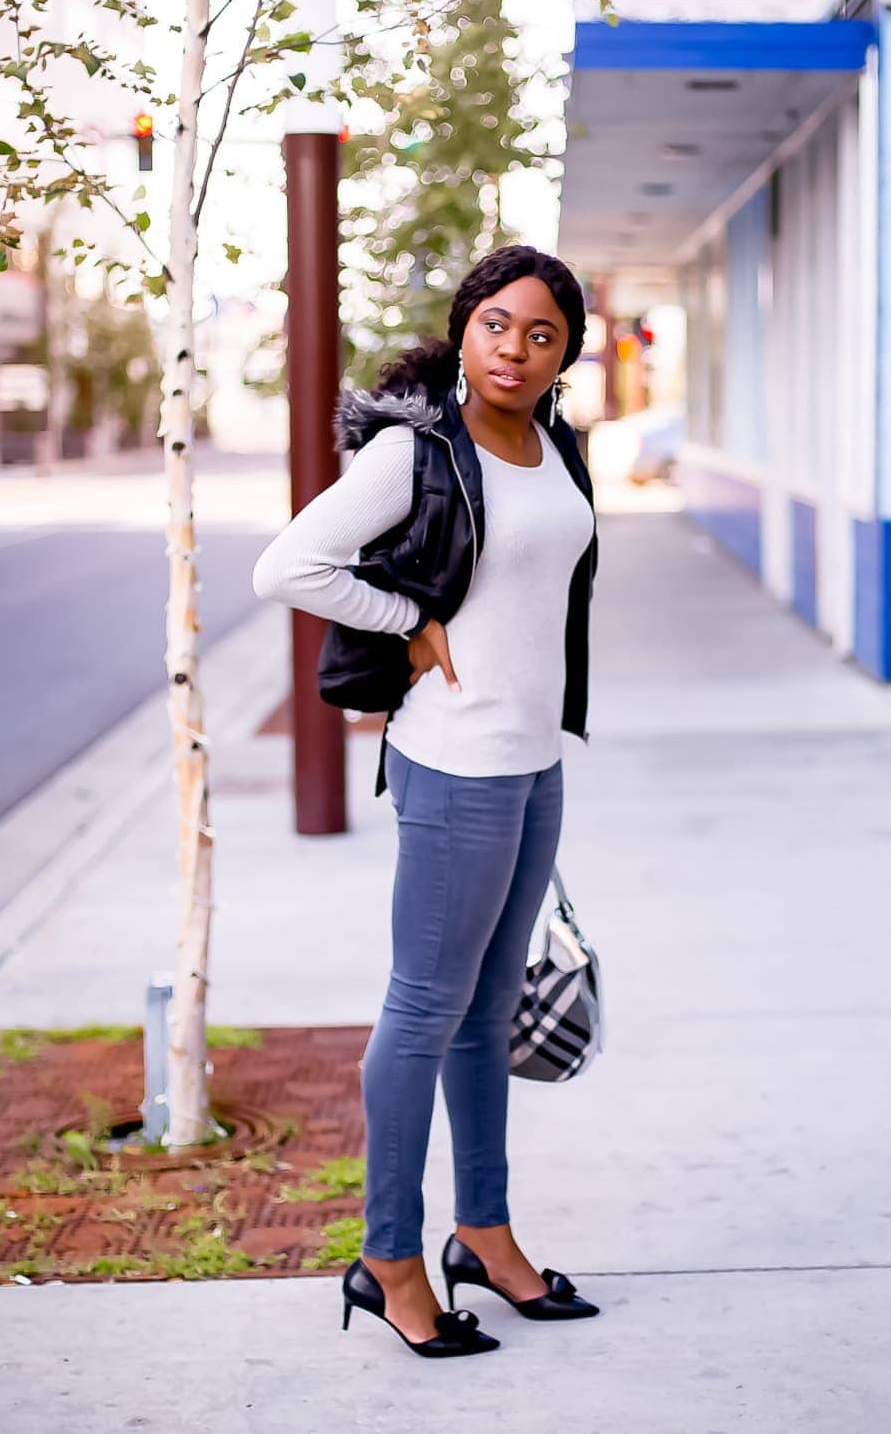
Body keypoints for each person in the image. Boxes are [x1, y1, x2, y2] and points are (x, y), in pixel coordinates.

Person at [252, 244, 602, 1359]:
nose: (515, 348)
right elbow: (289, 566)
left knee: (483, 1016)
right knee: (421, 1010)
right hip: (453, 766)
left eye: (541, 334)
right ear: (465, 330)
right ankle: (388, 1256)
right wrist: (410, 623)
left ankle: (484, 1235)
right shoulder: (418, 453)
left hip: (533, 759)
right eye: (497, 324)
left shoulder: (557, 449)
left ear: (563, 355)